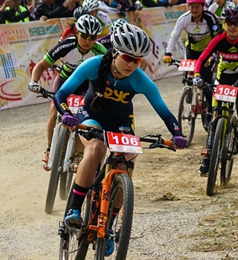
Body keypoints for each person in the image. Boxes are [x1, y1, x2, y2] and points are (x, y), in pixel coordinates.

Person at [54, 24, 188, 228]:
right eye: (127, 58)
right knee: (96, 148)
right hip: (91, 115)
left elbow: (164, 111)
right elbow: (61, 94)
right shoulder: (94, 65)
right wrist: (65, 114)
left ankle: (109, 224)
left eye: (138, 60)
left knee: (126, 161)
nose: (132, 65)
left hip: (121, 121)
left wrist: (177, 134)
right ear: (115, 52)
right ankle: (73, 209)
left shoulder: (140, 79)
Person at [29, 15, 107, 170]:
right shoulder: (66, 45)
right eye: (84, 36)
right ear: (77, 33)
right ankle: (50, 149)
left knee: (83, 114)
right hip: (65, 80)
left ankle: (78, 155)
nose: (87, 41)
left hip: (86, 84)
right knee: (53, 111)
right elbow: (41, 65)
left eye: (92, 38)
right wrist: (34, 82)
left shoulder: (101, 51)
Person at [194, 5, 238, 175]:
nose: (233, 26)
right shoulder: (218, 39)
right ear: (224, 23)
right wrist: (197, 74)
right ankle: (208, 157)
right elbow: (202, 58)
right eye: (229, 22)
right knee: (215, 114)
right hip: (224, 74)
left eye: (237, 23)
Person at [163, 0, 221, 113]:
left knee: (206, 81)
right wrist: (168, 53)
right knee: (188, 72)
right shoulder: (184, 19)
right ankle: (189, 89)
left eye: (197, 7)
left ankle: (210, 111)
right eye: (192, 7)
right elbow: (174, 36)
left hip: (208, 50)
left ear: (203, 6)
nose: (194, 10)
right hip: (192, 49)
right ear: (188, 7)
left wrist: (213, 56)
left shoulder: (209, 18)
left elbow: (217, 38)